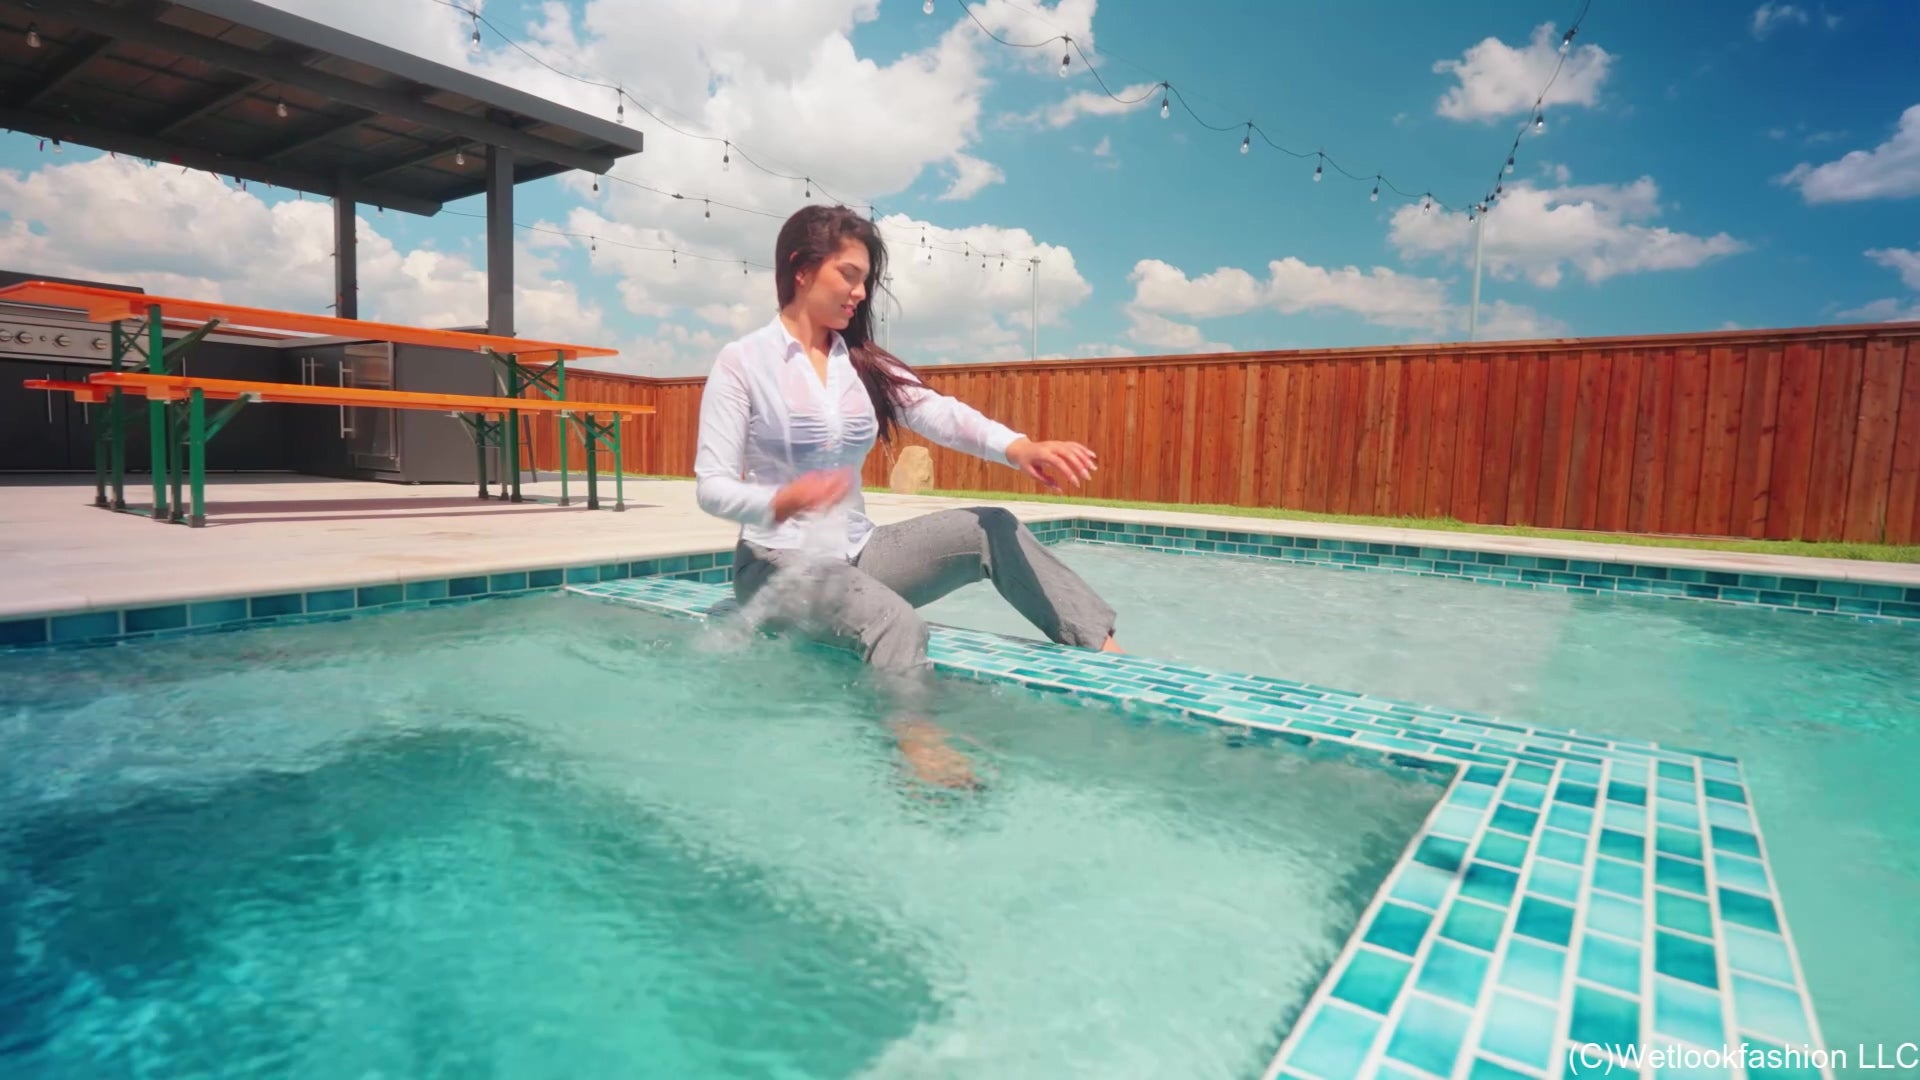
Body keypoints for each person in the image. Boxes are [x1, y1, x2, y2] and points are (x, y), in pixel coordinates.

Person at [693, 204, 1123, 787]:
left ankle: (1106, 654)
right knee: (893, 622)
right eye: (849, 275)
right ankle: (918, 748)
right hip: (776, 564)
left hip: (858, 552)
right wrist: (778, 502)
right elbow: (712, 486)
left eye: (865, 279)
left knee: (990, 527)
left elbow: (937, 412)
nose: (859, 292)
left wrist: (1018, 446)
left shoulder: (857, 364)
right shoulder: (743, 362)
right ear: (801, 268)